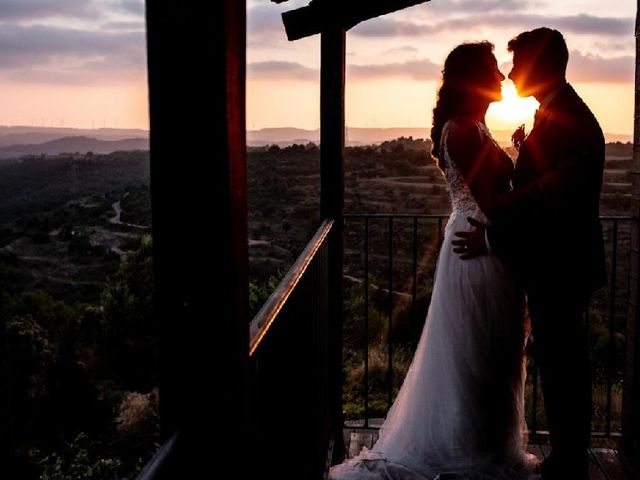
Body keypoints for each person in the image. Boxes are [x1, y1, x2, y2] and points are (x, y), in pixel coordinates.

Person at [329, 41, 538, 480]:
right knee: (477, 355)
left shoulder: (473, 127)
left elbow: (496, 192)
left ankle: (483, 443)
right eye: (494, 71)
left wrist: (519, 156)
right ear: (473, 79)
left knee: (490, 355)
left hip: (485, 245)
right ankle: (468, 449)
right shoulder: (462, 130)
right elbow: (495, 205)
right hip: (476, 250)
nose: (502, 78)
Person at [453, 28, 606, 480]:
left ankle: (570, 463)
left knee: (564, 365)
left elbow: (554, 209)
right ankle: (567, 455)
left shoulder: (568, 120)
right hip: (558, 264)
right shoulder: (556, 113)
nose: (513, 72)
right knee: (560, 362)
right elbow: (543, 187)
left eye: (518, 64)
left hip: (562, 265)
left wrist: (493, 241)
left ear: (539, 67)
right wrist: (523, 150)